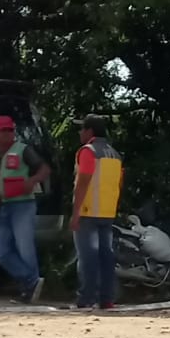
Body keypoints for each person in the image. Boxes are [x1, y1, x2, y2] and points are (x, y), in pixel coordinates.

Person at [0, 115, 51, 304]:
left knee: (25, 247)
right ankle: (31, 281)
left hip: (22, 204)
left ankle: (28, 290)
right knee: (0, 251)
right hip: (0, 207)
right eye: (3, 130)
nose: (7, 134)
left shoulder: (23, 150)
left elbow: (44, 170)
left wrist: (31, 181)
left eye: (10, 130)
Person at [70, 113, 124, 310]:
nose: (80, 132)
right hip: (107, 212)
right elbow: (119, 183)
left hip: (88, 211)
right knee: (106, 258)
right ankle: (106, 299)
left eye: (82, 129)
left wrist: (75, 213)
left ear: (89, 131)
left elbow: (83, 181)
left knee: (87, 258)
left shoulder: (88, 151)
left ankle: (86, 299)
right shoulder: (114, 154)